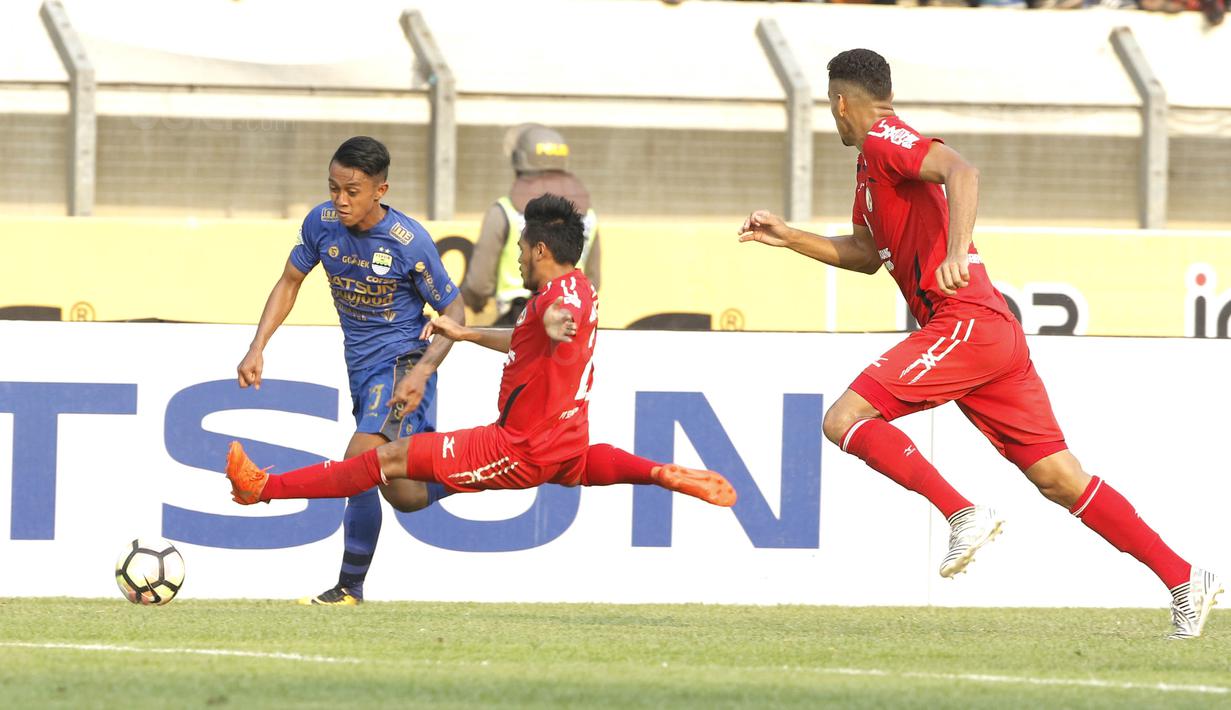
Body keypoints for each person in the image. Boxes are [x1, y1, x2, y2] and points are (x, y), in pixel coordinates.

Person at [738, 49, 1221, 639]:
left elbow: (962, 172)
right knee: (1059, 478)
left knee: (844, 418)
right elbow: (867, 255)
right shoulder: (869, 169)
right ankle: (1183, 578)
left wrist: (955, 251)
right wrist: (790, 238)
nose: (832, 118)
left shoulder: (889, 137)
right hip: (988, 334)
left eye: (830, 107)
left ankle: (961, 512)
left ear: (841, 102)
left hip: (963, 319)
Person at [226, 195, 735, 544]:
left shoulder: (559, 301)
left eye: (519, 250)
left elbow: (561, 322)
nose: (516, 259)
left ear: (539, 249)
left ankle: (262, 488)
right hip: (564, 438)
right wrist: (467, 334)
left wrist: (561, 325)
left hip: (517, 447)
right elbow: (529, 336)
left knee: (383, 461)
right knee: (575, 466)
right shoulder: (578, 288)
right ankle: (657, 472)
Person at [237, 136, 465, 606]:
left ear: (380, 190)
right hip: (362, 372)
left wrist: (424, 368)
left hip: (401, 367)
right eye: (333, 187)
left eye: (352, 190)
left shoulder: (408, 242)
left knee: (357, 464)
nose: (340, 199)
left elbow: (455, 310)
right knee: (402, 493)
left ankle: (348, 588)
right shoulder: (320, 224)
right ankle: (483, 470)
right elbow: (290, 281)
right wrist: (257, 346)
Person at [461, 123, 600, 326]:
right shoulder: (588, 215)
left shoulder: (503, 210)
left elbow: (479, 285)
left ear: (519, 162)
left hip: (517, 317)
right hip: (570, 315)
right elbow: (594, 280)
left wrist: (473, 304)